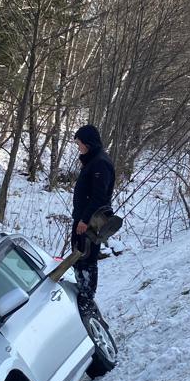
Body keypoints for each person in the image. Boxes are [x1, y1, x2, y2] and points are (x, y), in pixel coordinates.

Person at [70, 124, 115, 315]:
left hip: (90, 223)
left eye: (79, 143)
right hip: (82, 219)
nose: (78, 146)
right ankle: (81, 290)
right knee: (79, 256)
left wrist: (85, 220)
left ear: (88, 143)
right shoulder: (91, 161)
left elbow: (99, 197)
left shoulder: (100, 163)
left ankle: (87, 299)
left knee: (87, 258)